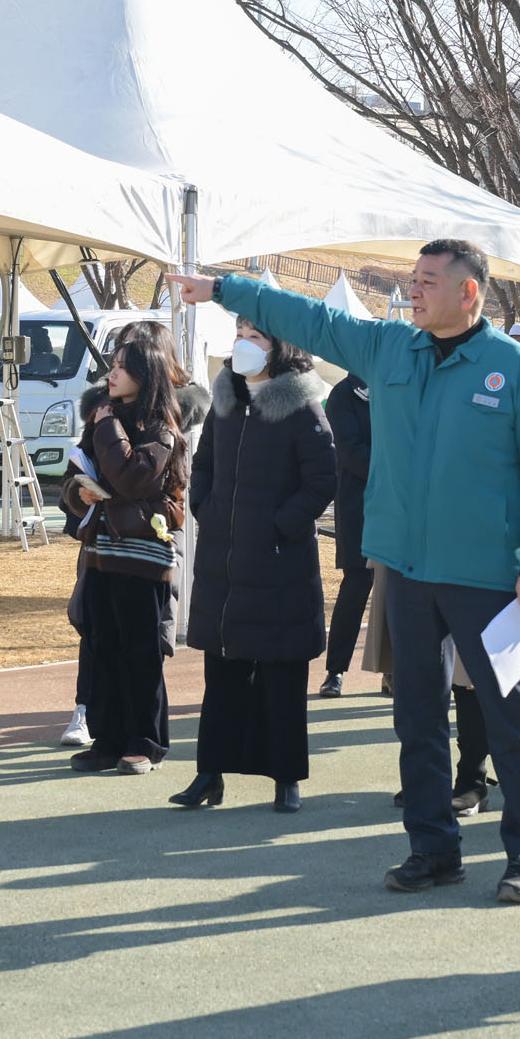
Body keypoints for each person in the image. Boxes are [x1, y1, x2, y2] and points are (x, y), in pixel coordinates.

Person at [168, 239, 520, 904]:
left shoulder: (518, 370)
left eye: (428, 281)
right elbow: (310, 319)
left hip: (489, 577)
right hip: (405, 571)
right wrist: (222, 290)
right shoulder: (389, 348)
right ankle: (433, 849)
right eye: (413, 279)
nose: (414, 290)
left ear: (469, 291)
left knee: (511, 717)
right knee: (416, 717)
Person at [176, 323, 338, 813]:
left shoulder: (303, 407)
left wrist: (277, 526)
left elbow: (321, 480)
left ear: (280, 346)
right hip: (224, 565)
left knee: (281, 676)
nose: (244, 343)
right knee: (222, 672)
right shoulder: (226, 400)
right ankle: (210, 774)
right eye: (240, 333)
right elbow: (203, 462)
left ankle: (286, 778)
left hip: (279, 566)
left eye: (256, 336)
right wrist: (205, 508)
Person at [61, 320, 209, 747]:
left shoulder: (161, 425)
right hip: (102, 549)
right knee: (101, 643)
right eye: (114, 359)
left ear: (152, 366)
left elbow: (131, 478)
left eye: (125, 362)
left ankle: (143, 742)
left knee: (143, 650)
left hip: (145, 554)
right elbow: (76, 474)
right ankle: (103, 735)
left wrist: (106, 424)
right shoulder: (103, 414)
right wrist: (78, 494)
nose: (112, 371)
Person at [319, 371, 373, 698]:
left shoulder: (398, 387)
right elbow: (350, 452)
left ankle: (394, 671)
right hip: (359, 507)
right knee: (355, 588)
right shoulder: (343, 394)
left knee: (400, 593)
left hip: (401, 507)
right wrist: (395, 469)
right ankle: (335, 670)